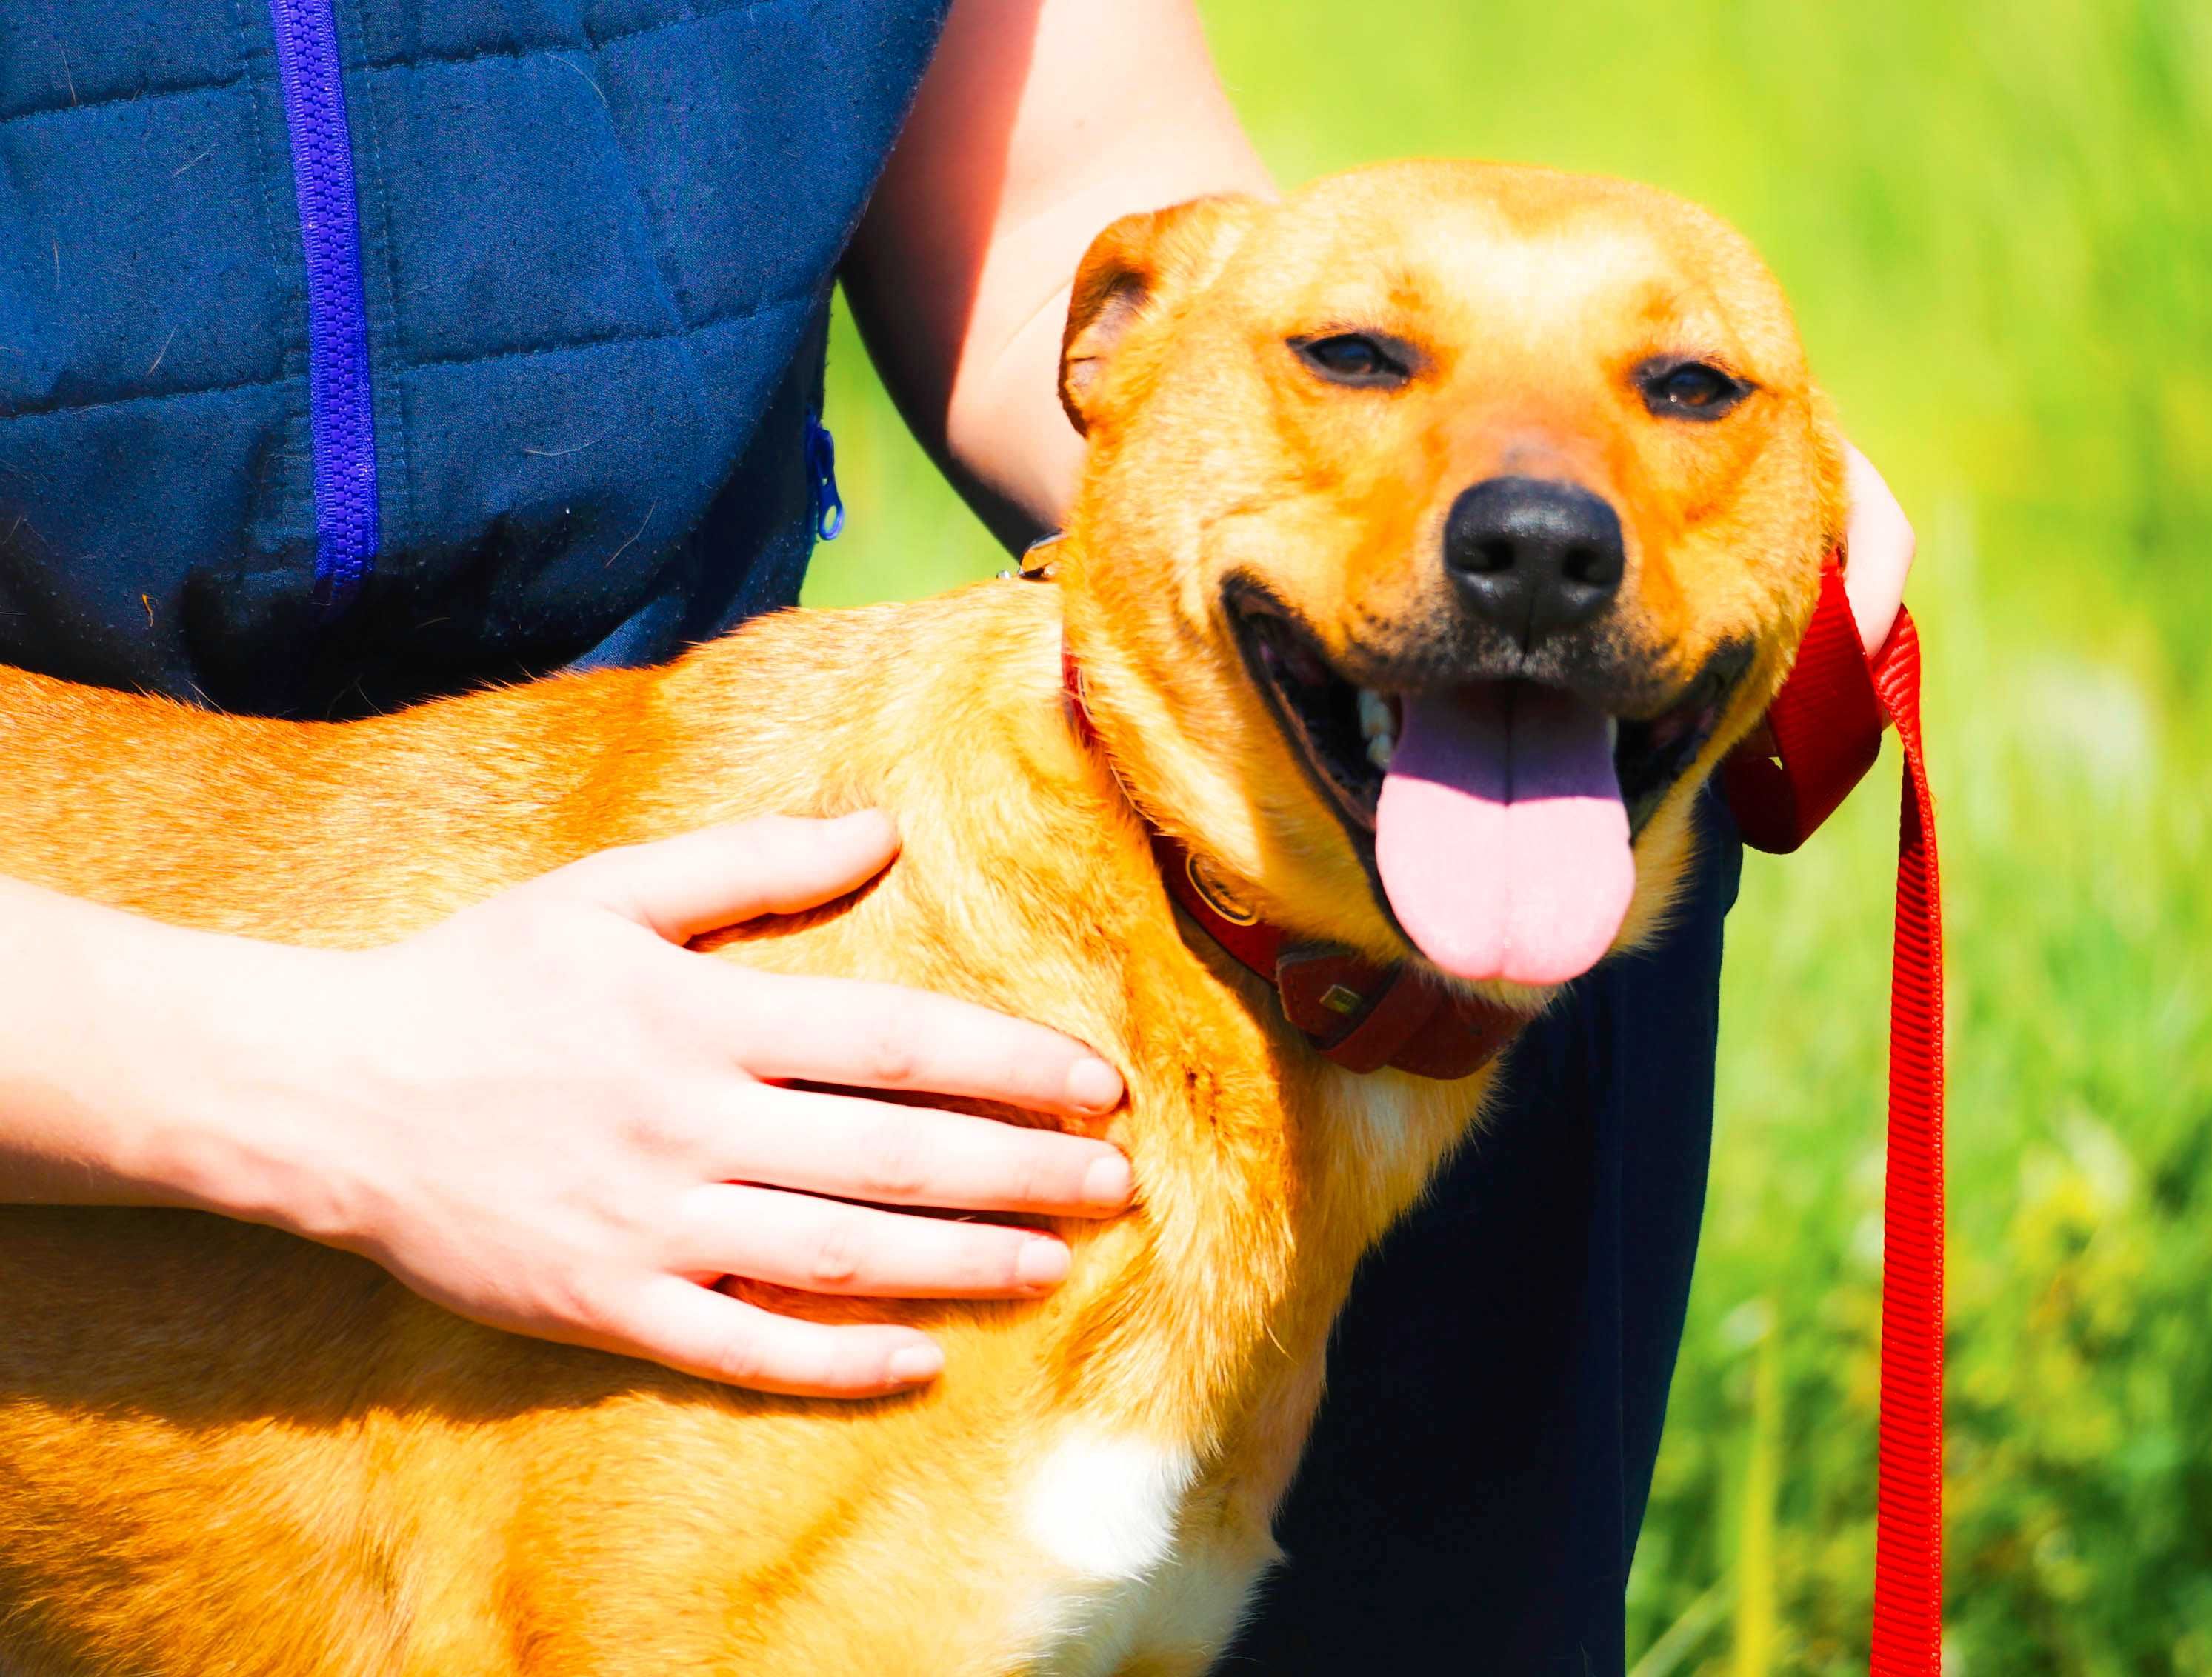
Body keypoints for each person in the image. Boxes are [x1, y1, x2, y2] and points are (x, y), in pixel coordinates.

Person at [0, 0, 1913, 1667]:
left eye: (1684, 394)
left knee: (1562, 867)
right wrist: (327, 1083)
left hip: (672, 738)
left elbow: (1070, 223)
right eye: (1360, 363)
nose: (1541, 503)